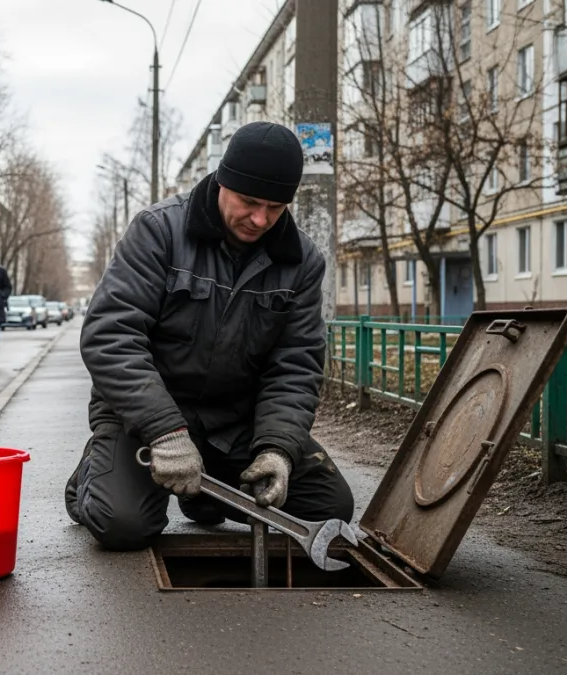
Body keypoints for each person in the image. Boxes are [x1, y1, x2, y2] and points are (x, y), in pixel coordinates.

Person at [65, 121, 354, 550]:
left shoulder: (302, 262)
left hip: (233, 424)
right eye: (249, 201)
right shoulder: (159, 231)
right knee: (122, 524)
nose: (260, 219)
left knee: (330, 506)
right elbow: (111, 335)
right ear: (223, 181)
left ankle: (204, 488)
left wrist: (276, 448)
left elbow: (295, 364)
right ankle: (95, 473)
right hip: (145, 420)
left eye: (276, 207)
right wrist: (164, 431)